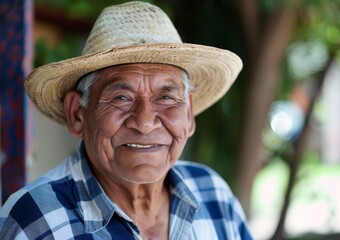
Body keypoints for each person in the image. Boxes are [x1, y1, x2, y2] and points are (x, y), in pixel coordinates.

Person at [0, 1, 253, 239]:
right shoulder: (35, 221)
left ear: (188, 114)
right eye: (121, 97)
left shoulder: (213, 194)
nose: (144, 123)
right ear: (78, 113)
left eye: (165, 97)